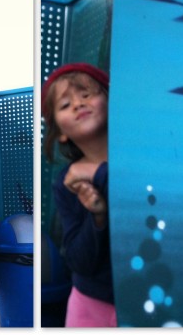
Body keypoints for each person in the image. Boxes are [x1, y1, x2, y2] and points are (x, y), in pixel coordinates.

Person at [42, 63, 116, 327]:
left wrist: (96, 173)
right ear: (60, 133)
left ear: (110, 99)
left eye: (86, 94)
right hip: (89, 304)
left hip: (144, 294)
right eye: (65, 105)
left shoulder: (139, 160)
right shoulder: (66, 182)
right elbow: (78, 261)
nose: (77, 104)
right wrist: (97, 216)